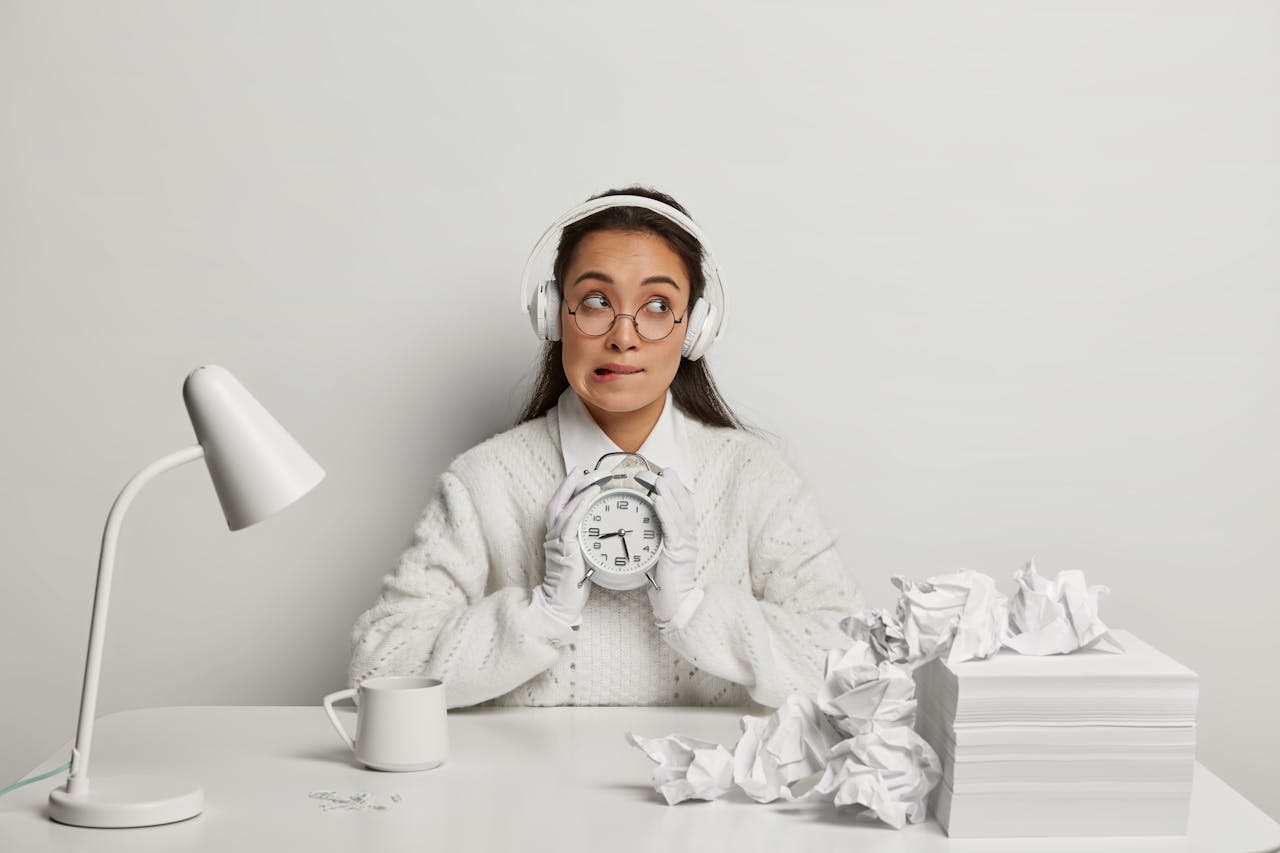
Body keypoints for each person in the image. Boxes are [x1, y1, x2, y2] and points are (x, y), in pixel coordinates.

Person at [348, 186, 864, 709]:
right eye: (596, 301)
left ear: (695, 330)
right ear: (552, 314)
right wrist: (541, 614)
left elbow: (853, 665)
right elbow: (378, 666)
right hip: (523, 788)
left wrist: (694, 610)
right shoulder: (484, 480)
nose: (623, 337)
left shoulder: (755, 478)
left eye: (658, 306)